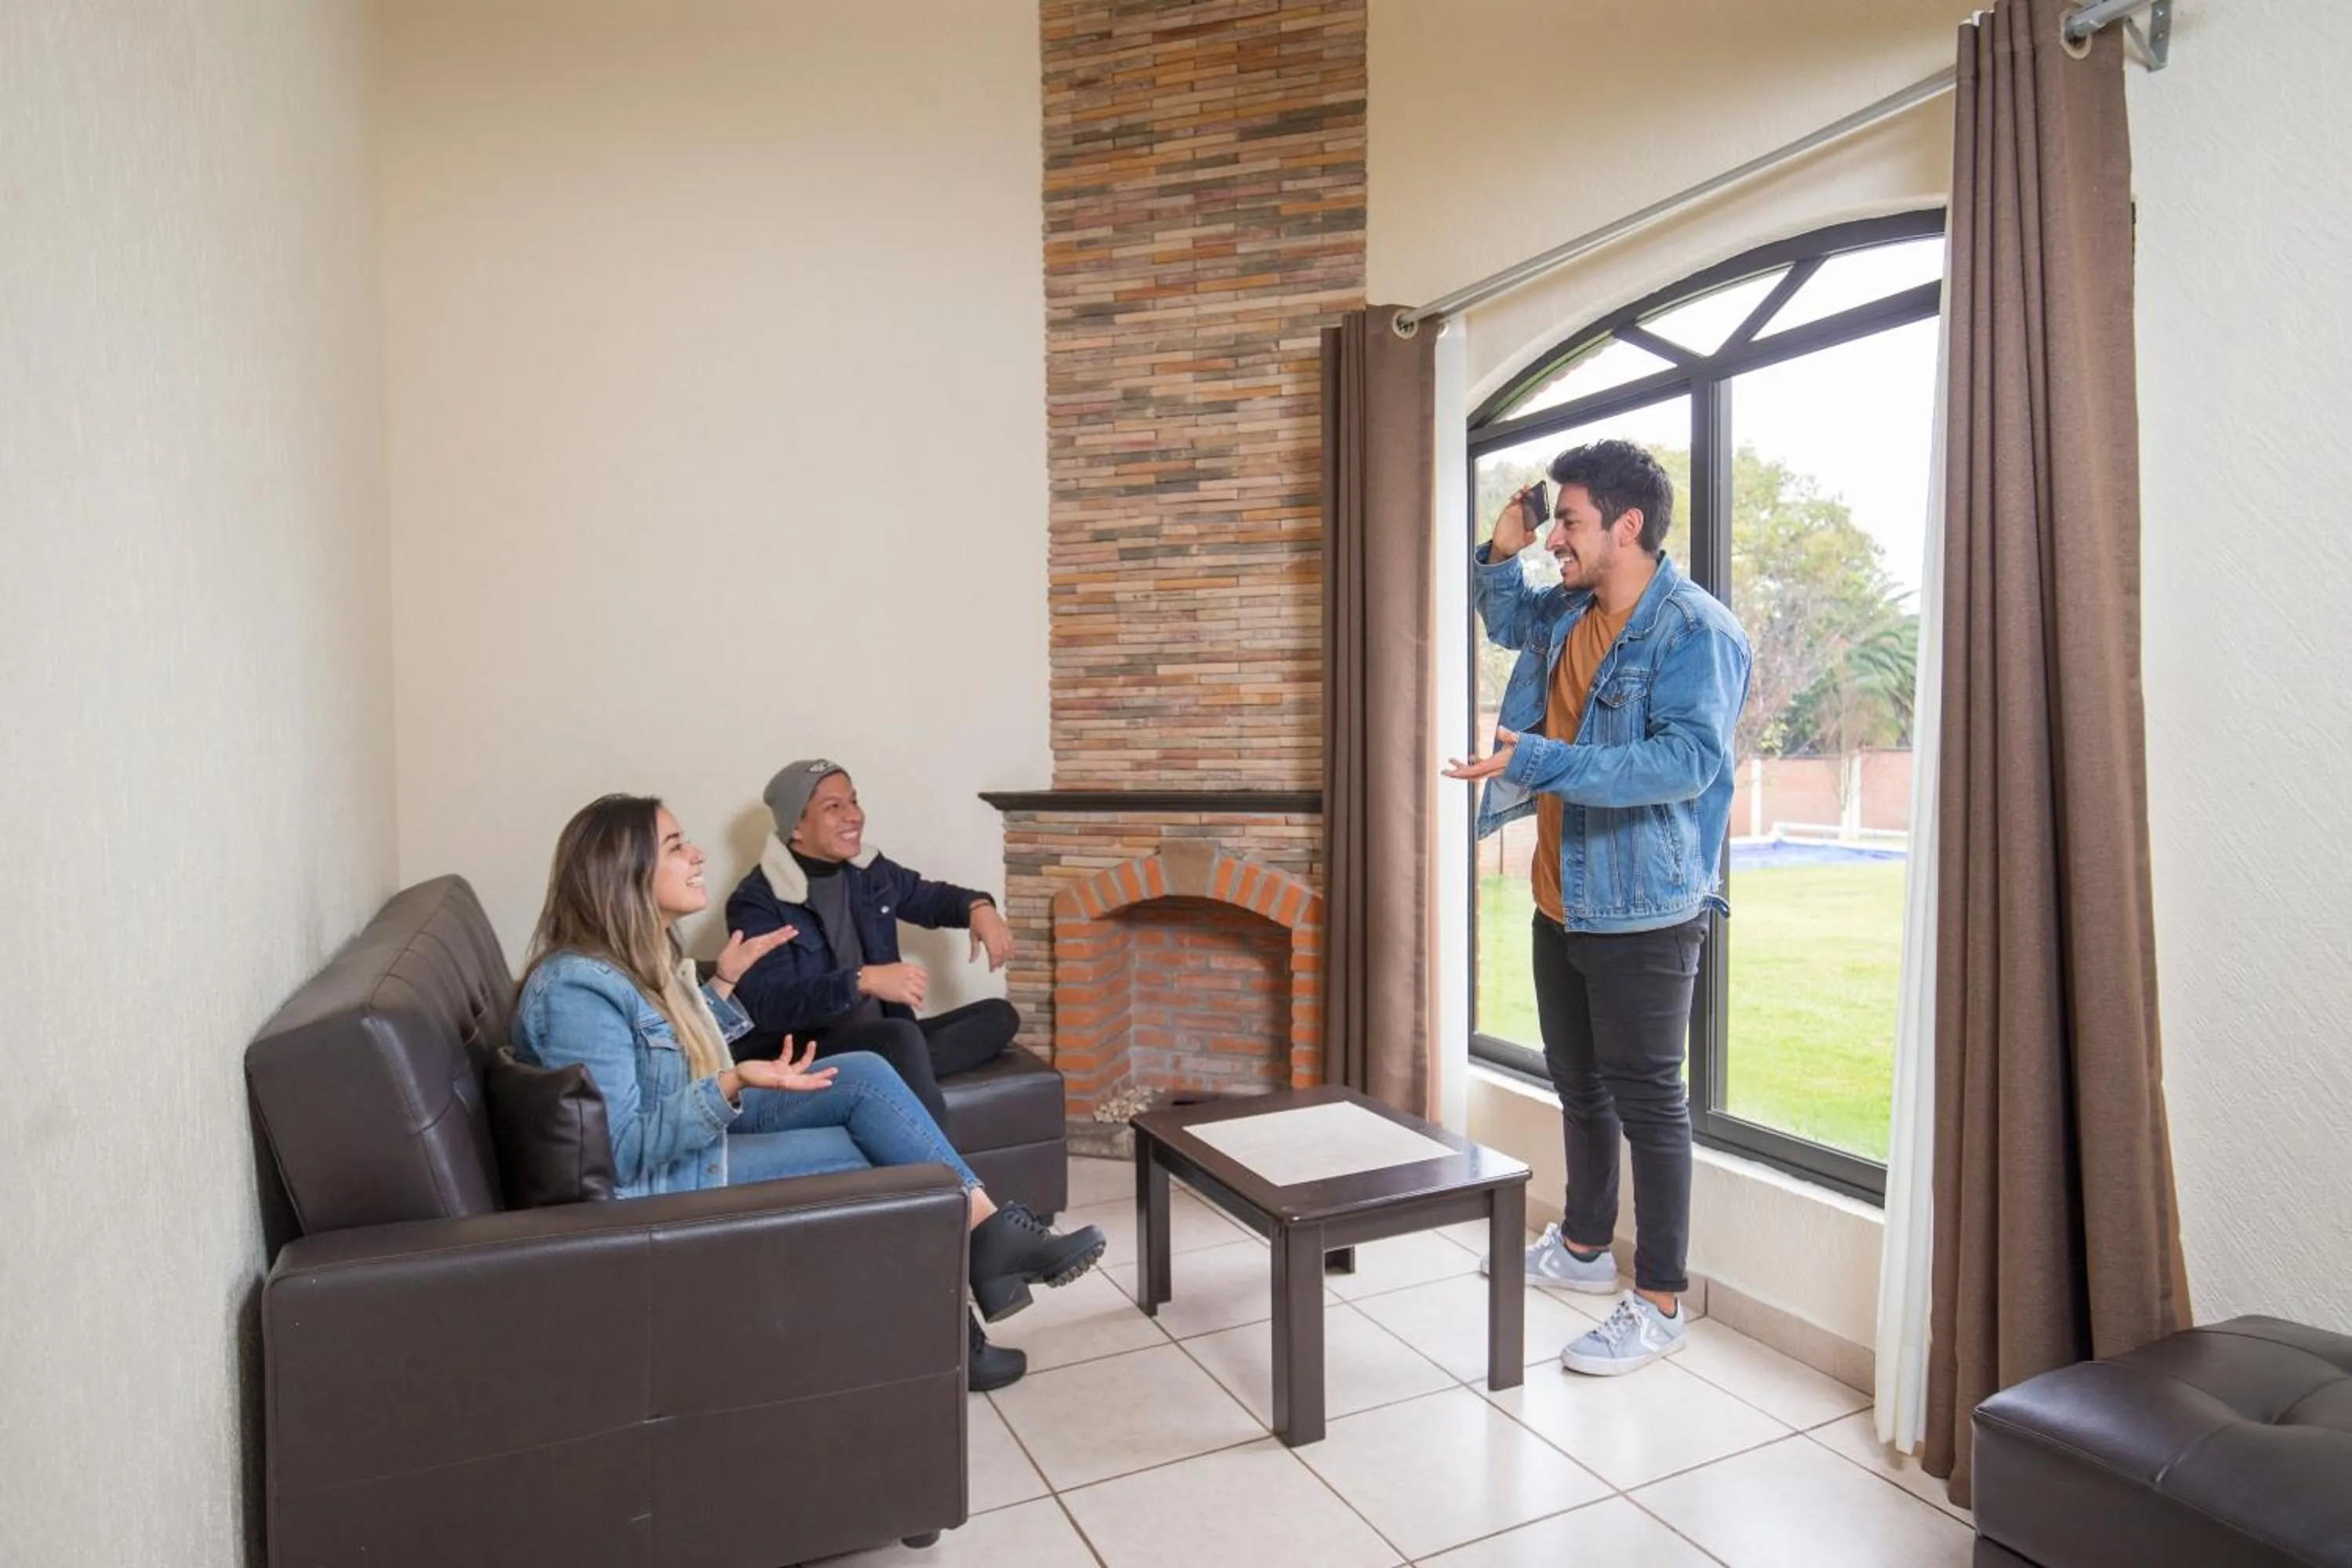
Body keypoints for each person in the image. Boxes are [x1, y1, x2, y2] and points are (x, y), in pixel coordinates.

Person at [510, 793, 1102, 1392]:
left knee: (868, 1071)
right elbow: (621, 1149)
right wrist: (736, 1079)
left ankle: (986, 1232)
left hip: (698, 1132)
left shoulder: (636, 961)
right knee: (878, 1155)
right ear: (623, 871)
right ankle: (958, 1325)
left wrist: (723, 985)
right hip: (669, 1178)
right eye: (675, 846)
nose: (696, 855)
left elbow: (665, 1058)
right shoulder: (577, 990)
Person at [1444, 439, 1751, 1377]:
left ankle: (1658, 1300)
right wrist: (1503, 548)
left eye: (1569, 521)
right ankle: (1582, 1247)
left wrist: (1537, 760)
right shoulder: (1570, 607)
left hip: (1648, 909)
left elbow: (1681, 763)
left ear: (1628, 525)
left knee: (1651, 1103)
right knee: (1578, 1084)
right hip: (1562, 896)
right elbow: (1505, 619)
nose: (1558, 538)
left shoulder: (1697, 632)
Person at [724, 759, 1021, 1123]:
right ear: (796, 826)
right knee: (899, 1038)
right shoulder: (758, 901)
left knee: (998, 1015)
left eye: (854, 801)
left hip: (885, 1037)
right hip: (813, 1049)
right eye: (834, 807)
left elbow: (928, 897)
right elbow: (770, 1004)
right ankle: (938, 1172)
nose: (854, 816)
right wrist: (862, 981)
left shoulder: (869, 871)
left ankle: (889, 1073)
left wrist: (978, 907)